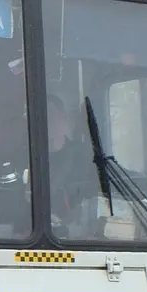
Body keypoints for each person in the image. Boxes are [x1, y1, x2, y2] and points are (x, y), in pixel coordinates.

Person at [47, 94, 99, 227]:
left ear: (64, 119)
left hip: (76, 235)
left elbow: (105, 182)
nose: (47, 122)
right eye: (40, 118)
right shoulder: (20, 158)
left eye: (51, 116)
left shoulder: (84, 156)